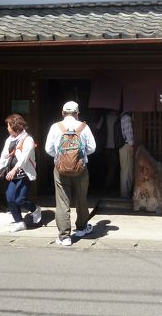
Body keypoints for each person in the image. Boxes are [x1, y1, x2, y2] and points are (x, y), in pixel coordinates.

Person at [45, 101, 96, 247]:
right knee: (81, 199)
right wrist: (79, 156)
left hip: (60, 169)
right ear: (77, 113)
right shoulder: (83, 127)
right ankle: (81, 228)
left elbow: (48, 149)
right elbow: (92, 147)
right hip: (81, 169)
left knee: (62, 202)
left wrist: (60, 158)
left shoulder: (55, 127)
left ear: (62, 113)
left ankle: (64, 236)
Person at [0, 113, 41, 233]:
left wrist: (14, 170)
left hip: (24, 174)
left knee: (20, 199)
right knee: (10, 198)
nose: (7, 128)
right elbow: (3, 156)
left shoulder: (28, 139)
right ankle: (19, 222)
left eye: (8, 125)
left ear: (14, 126)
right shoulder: (9, 140)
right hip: (11, 174)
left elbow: (24, 158)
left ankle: (35, 209)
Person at [103, 109, 121, 195]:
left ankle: (107, 186)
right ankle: (108, 187)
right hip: (114, 146)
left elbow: (98, 127)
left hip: (106, 146)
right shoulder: (117, 118)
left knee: (109, 167)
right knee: (114, 167)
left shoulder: (105, 117)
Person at [118, 111, 134, 198]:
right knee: (127, 170)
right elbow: (129, 132)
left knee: (125, 169)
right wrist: (131, 145)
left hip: (123, 146)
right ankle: (125, 193)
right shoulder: (126, 117)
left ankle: (125, 192)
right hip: (127, 145)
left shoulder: (121, 117)